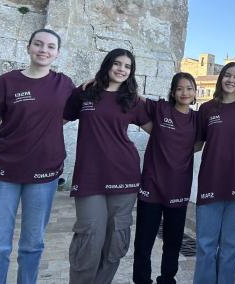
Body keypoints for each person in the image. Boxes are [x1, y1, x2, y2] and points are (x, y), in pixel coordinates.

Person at [0, 29, 74, 283]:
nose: (44, 50)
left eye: (50, 46)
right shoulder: (5, 82)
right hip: (2, 175)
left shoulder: (64, 84)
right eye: (38, 44)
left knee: (32, 245)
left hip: (43, 176)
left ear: (57, 53)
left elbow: (77, 110)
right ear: (28, 47)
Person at [63, 48, 151, 284]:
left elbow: (161, 130)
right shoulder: (86, 93)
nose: (122, 69)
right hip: (89, 177)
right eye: (117, 64)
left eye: (127, 66)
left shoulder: (132, 100)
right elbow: (54, 120)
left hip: (125, 176)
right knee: (89, 238)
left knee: (115, 240)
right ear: (107, 65)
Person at [132, 72, 198, 284]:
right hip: (151, 186)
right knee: (144, 241)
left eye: (189, 88)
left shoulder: (197, 119)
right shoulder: (161, 108)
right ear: (172, 92)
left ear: (195, 92)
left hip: (179, 188)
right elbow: (134, 96)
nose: (184, 92)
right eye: (180, 88)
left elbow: (200, 144)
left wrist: (179, 151)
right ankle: (142, 280)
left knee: (173, 241)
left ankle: (167, 279)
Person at [193, 62, 235, 284]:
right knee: (205, 245)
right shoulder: (207, 108)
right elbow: (196, 143)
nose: (231, 80)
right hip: (211, 181)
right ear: (220, 78)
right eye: (227, 75)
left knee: (231, 246)